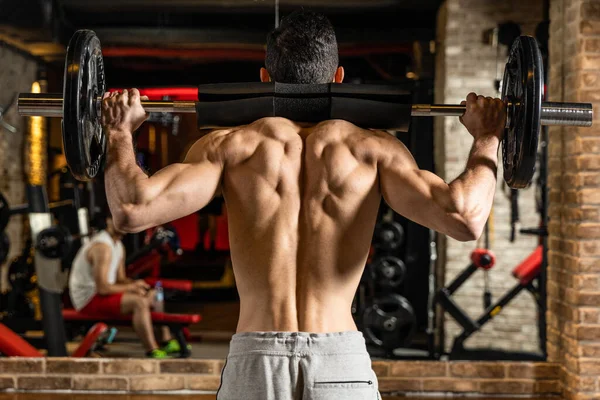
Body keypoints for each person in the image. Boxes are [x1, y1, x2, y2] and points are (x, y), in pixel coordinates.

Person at [101, 10, 505, 400]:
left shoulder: (231, 147)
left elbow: (132, 209)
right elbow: (465, 217)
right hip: (338, 360)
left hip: (257, 361)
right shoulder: (373, 149)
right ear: (338, 77)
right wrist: (487, 136)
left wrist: (119, 131)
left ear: (265, 78)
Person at [68, 211, 180, 358]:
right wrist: (131, 288)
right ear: (108, 221)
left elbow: (120, 278)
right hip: (88, 299)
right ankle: (151, 349)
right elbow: (103, 288)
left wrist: (137, 285)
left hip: (102, 294)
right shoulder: (102, 247)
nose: (122, 224)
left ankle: (166, 341)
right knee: (138, 302)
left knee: (153, 294)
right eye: (117, 220)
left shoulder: (118, 245)